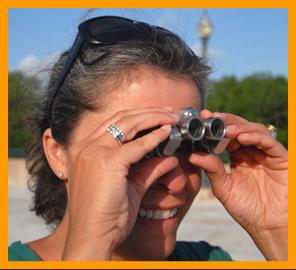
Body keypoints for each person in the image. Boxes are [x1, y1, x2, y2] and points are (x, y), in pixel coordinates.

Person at [8, 15, 287, 261]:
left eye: (189, 147)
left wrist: (278, 231)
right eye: (139, 146)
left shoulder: (210, 259)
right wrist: (92, 246)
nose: (176, 182)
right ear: (58, 153)